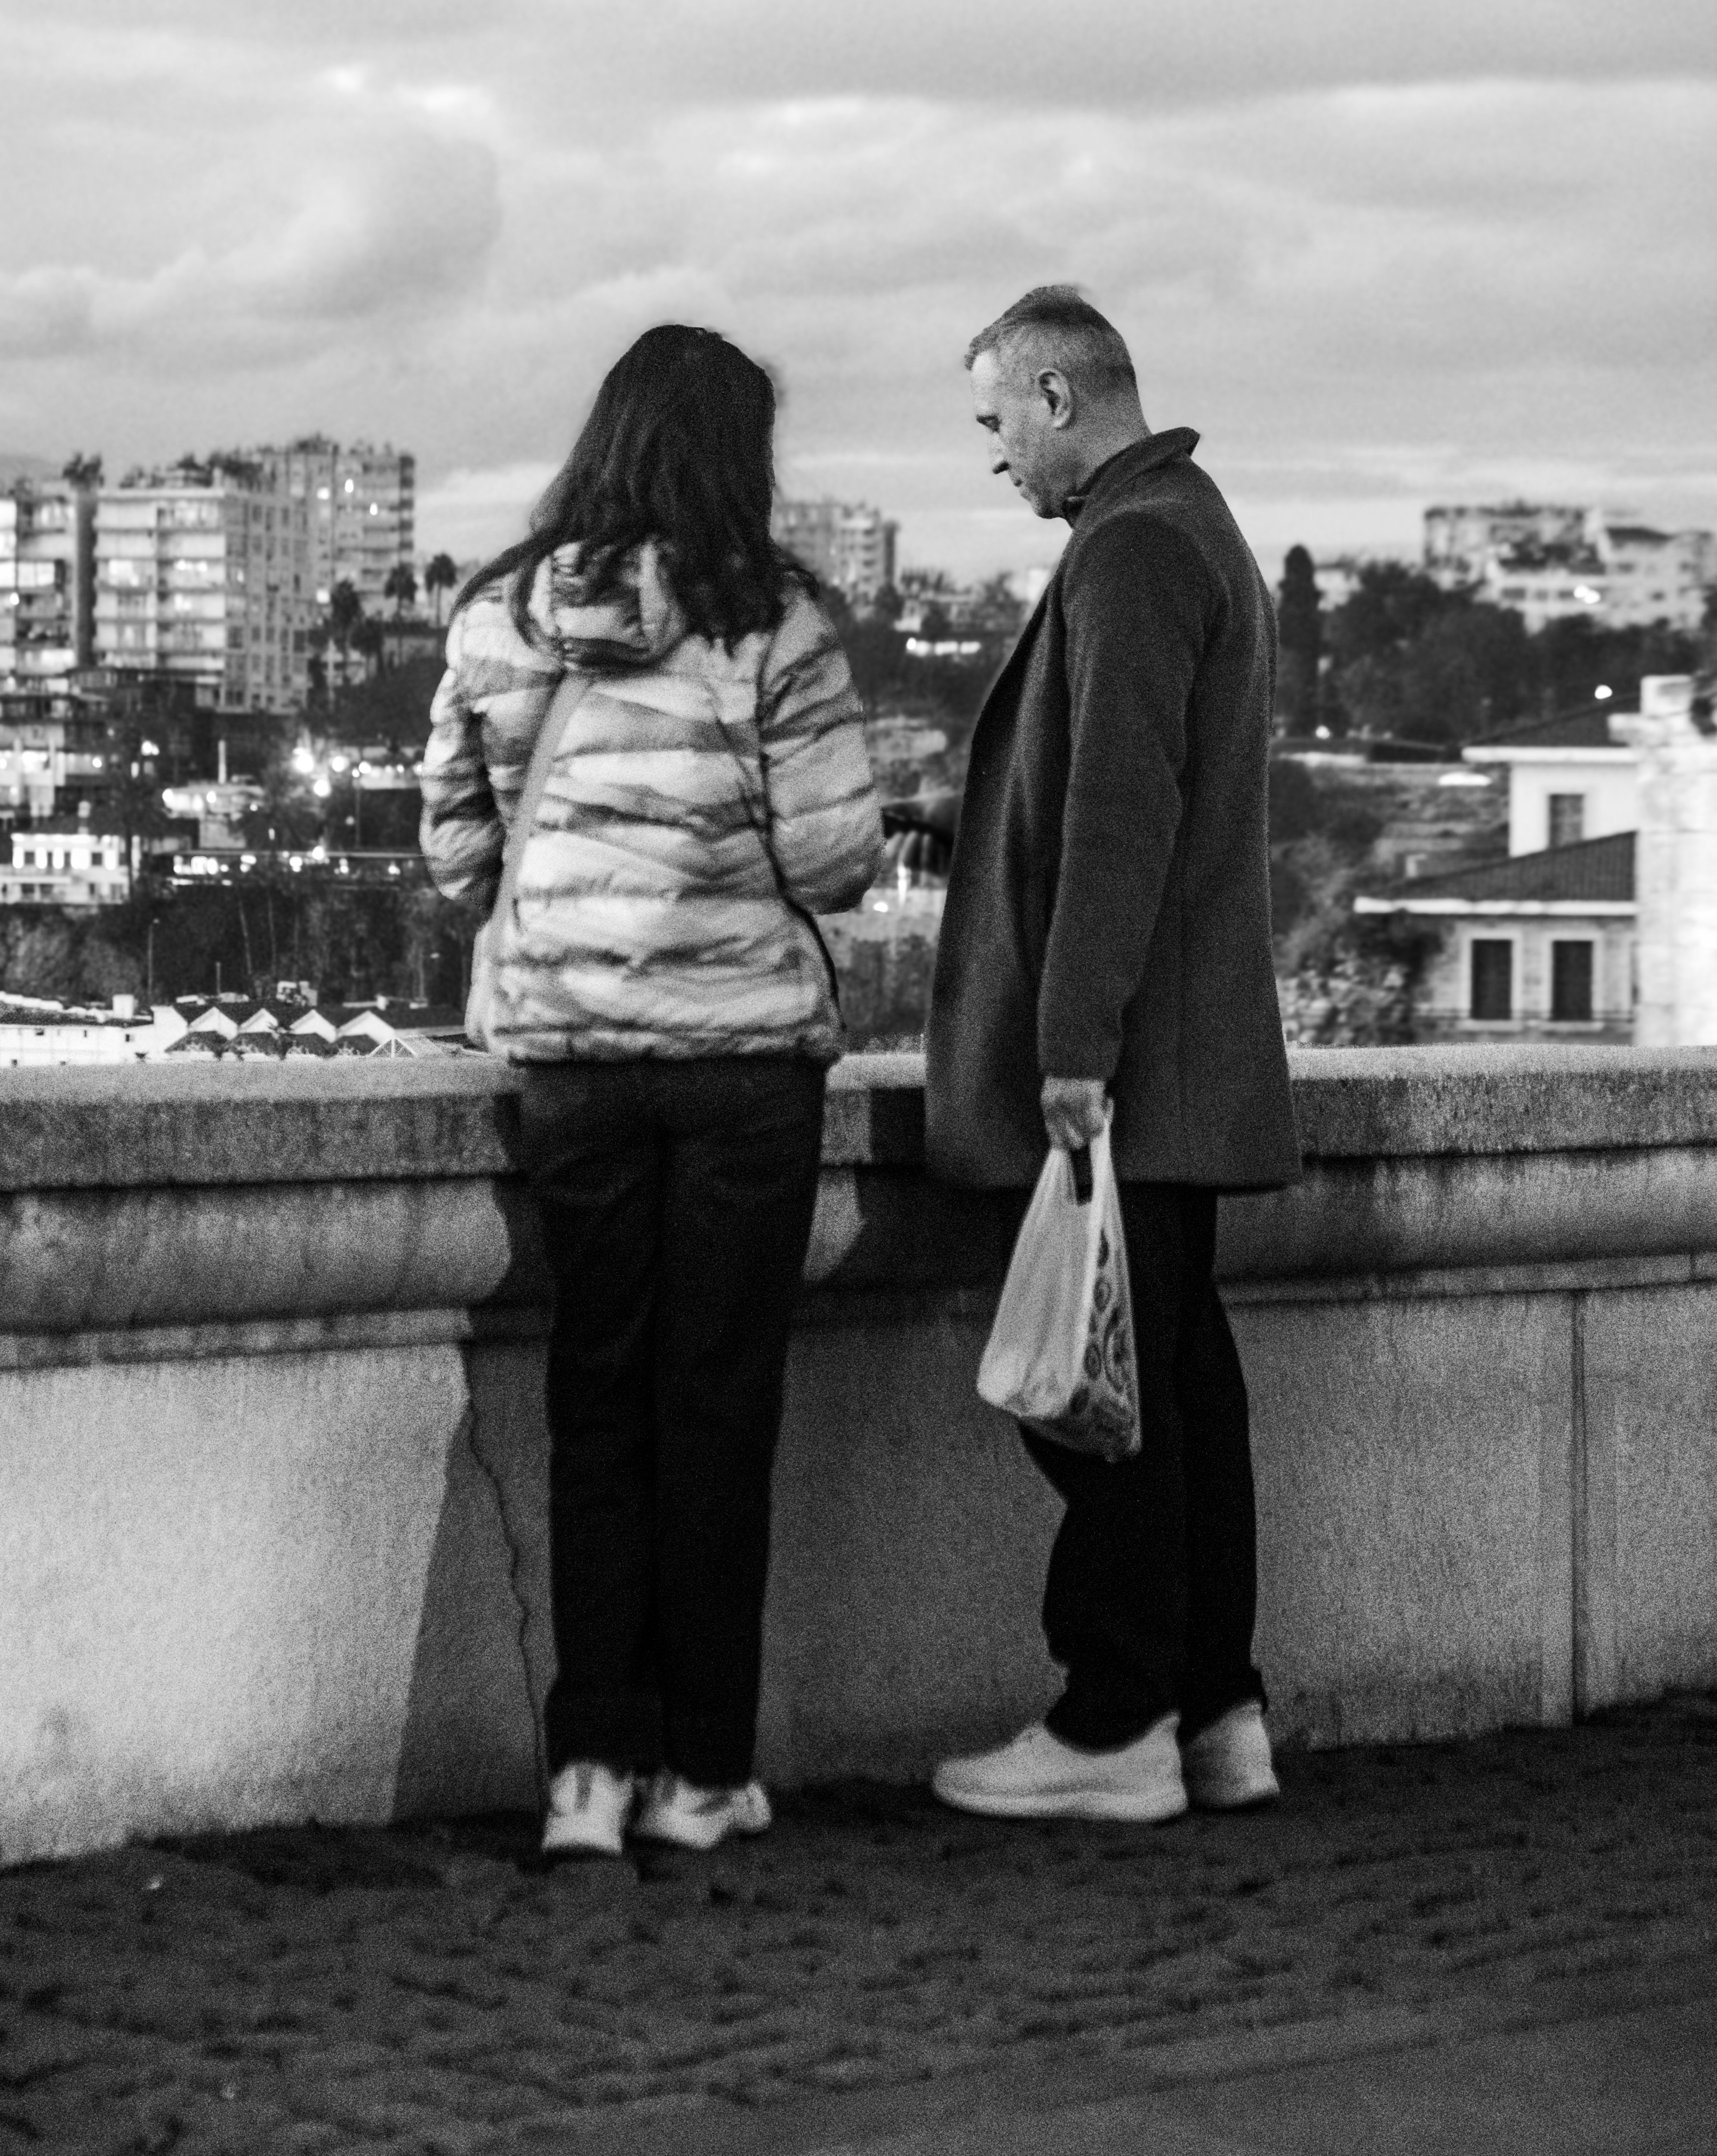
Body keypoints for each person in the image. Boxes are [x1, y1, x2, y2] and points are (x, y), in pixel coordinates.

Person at [420, 326, 883, 1860]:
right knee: (716, 1409)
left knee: (594, 1406)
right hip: (743, 1060)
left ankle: (586, 1778)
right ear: (740, 456)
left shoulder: (501, 615)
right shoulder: (777, 621)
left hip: (572, 1064)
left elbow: (456, 852)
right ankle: (702, 1775)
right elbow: (833, 859)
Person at [923, 286, 1300, 1824]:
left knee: (1105, 1407)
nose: (995, 456)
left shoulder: (1132, 551)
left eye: (997, 417)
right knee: (1184, 1393)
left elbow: (1117, 817)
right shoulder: (1196, 526)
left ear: (1063, 397)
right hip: (1191, 1057)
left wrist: (1070, 1045)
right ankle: (1217, 1714)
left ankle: (1114, 1725)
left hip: (1131, 1071)